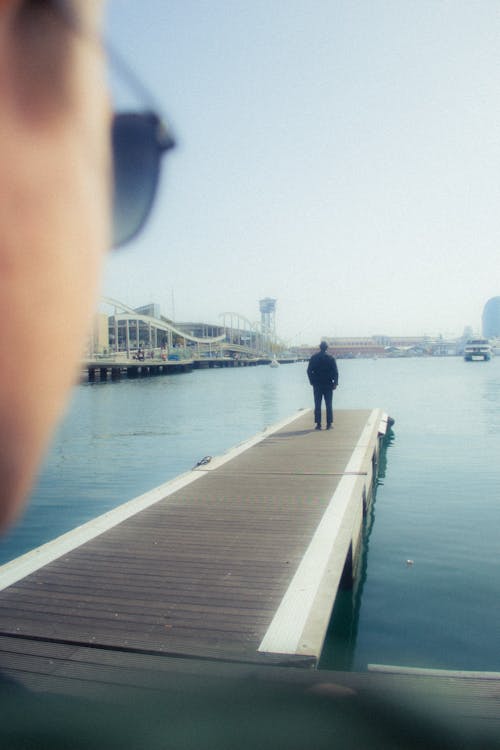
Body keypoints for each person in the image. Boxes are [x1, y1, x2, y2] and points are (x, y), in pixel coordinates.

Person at [307, 341, 339, 430]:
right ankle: (329, 424)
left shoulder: (314, 358)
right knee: (329, 404)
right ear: (327, 348)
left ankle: (318, 424)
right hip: (328, 384)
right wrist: (335, 383)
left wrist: (311, 381)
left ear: (319, 347)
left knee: (317, 404)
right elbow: (335, 372)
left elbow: (309, 371)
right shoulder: (331, 358)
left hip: (317, 384)